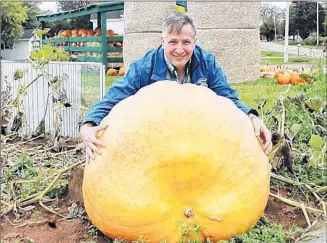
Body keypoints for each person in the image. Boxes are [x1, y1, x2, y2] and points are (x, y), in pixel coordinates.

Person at [80, 12, 272, 160]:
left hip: (199, 137)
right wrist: (88, 125)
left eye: (186, 42)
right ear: (163, 41)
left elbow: (227, 98)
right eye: (173, 42)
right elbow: (114, 98)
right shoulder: (144, 67)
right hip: (154, 138)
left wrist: (252, 116)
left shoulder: (207, 63)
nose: (180, 49)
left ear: (195, 42)